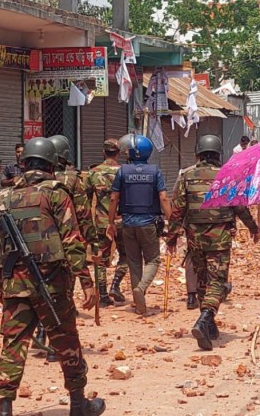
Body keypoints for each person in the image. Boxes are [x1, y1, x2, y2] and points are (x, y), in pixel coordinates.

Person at [0, 137, 104, 416]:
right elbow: (72, 240)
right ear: (51, 164)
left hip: (15, 284)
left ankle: (5, 408)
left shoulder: (3, 197)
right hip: (51, 283)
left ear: (23, 162)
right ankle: (78, 403)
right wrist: (86, 281)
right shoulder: (55, 193)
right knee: (66, 341)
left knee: (13, 344)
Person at [167, 135, 260, 350]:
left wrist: (171, 237)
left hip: (195, 238)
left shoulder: (186, 176)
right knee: (217, 280)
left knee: (202, 280)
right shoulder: (227, 175)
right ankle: (205, 317)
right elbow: (240, 207)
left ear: (198, 153)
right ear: (218, 154)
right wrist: (253, 228)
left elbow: (178, 210)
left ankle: (208, 324)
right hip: (220, 237)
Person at [107, 135, 171, 315]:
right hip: (148, 223)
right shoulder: (155, 171)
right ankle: (141, 288)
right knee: (153, 260)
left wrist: (111, 222)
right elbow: (164, 198)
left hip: (128, 223)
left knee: (134, 261)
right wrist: (173, 221)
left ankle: (138, 303)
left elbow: (114, 199)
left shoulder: (122, 172)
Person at [85, 139, 129, 307]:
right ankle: (115, 285)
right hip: (123, 221)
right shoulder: (125, 172)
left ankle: (103, 294)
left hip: (102, 222)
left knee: (101, 259)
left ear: (103, 152)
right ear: (118, 153)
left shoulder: (93, 173)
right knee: (125, 256)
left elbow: (87, 200)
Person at [49, 135, 95, 253]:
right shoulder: (72, 178)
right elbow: (83, 213)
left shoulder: (27, 179)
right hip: (66, 236)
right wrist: (93, 240)